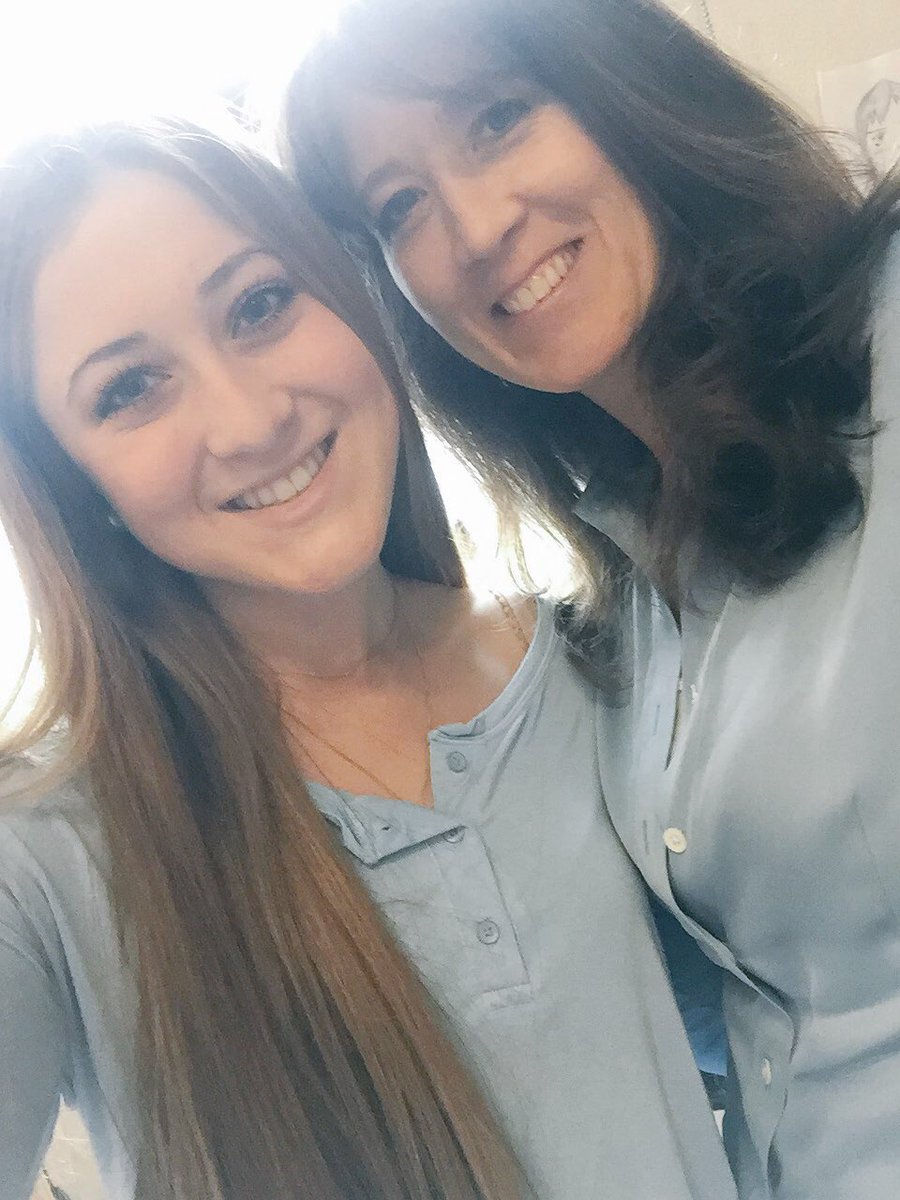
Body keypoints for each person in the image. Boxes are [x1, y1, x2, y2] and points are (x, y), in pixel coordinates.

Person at [0, 114, 735, 1200]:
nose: (249, 421)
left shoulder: (596, 660)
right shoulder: (45, 848)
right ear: (74, 483)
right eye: (129, 389)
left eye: (259, 305)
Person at [282, 1, 900, 1197]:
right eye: (400, 208)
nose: (474, 229)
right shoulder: (626, 590)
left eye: (498, 118)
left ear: (627, 82)